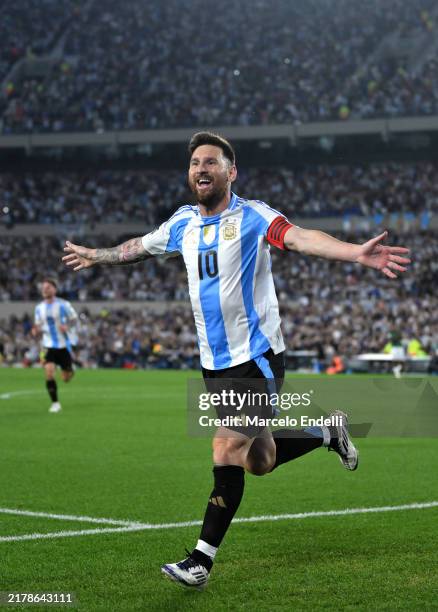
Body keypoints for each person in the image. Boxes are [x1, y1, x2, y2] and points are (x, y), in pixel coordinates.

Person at [62, 132, 410, 590]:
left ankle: (200, 561)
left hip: (257, 357)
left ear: (231, 171)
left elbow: (301, 237)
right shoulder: (182, 222)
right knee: (259, 460)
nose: (201, 169)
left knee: (225, 446)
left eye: (211, 162)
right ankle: (328, 431)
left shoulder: (252, 215)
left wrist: (353, 253)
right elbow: (138, 248)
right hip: (215, 364)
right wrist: (96, 256)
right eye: (195, 164)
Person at [31, 278, 78, 412]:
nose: (45, 289)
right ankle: (55, 403)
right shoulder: (39, 308)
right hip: (47, 345)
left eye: (48, 287)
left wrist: (67, 326)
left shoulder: (64, 304)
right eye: (43, 288)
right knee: (49, 373)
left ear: (54, 289)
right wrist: (35, 329)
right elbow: (38, 324)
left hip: (63, 345)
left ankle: (70, 369)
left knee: (66, 378)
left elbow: (74, 320)